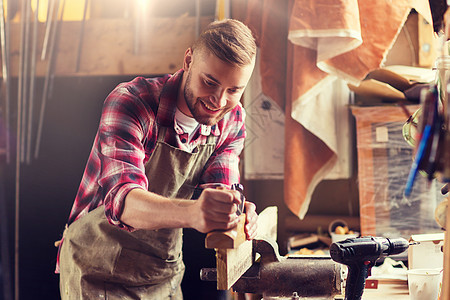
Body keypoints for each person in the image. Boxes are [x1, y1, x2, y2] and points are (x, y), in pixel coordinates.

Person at [56, 18, 258, 299]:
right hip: (97, 271)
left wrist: (233, 213)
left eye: (234, 90)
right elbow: (124, 202)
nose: (219, 101)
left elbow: (221, 188)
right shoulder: (132, 102)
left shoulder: (231, 119)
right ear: (188, 60)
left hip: (162, 273)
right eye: (209, 82)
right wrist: (195, 213)